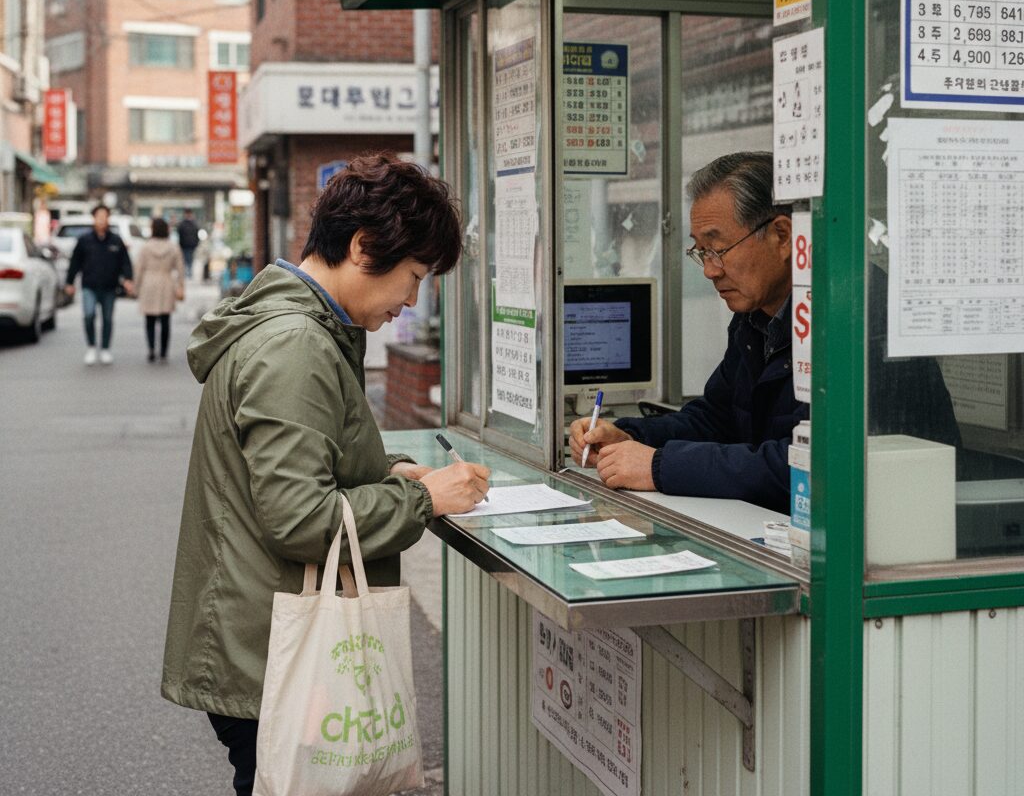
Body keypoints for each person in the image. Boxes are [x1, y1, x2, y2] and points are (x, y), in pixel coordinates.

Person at [161, 153, 490, 796]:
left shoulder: (307, 328)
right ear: (365, 247)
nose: (412, 300)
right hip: (276, 656)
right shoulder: (297, 344)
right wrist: (421, 497)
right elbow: (302, 519)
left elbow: (309, 464)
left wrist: (389, 468)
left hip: (263, 635)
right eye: (413, 276)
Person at [569, 151, 960, 514]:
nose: (709, 270)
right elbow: (716, 419)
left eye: (717, 248)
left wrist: (659, 466)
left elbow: (817, 464)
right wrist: (627, 435)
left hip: (884, 540)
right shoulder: (756, 314)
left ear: (782, 236)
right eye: (700, 252)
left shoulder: (856, 316)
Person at [64, 203, 134, 366]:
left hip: (109, 286)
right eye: (99, 216)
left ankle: (105, 348)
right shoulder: (84, 241)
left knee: (107, 318)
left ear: (108, 218)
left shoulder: (116, 241)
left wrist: (128, 279)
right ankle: (91, 346)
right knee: (88, 315)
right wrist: (69, 282)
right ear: (94, 218)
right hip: (89, 285)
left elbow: (125, 262)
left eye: (105, 216)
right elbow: (75, 262)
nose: (102, 220)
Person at [135, 217, 186, 362]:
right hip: (166, 282)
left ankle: (151, 348)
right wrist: (181, 286)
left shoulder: (146, 247)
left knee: (149, 319)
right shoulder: (173, 247)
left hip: (149, 282)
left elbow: (139, 268)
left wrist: (136, 286)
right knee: (165, 319)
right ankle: (163, 352)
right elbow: (180, 269)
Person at [176, 209, 200, 280]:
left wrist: (196, 243)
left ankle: (188, 272)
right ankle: (187, 272)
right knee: (186, 259)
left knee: (189, 259)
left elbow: (196, 234)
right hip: (185, 245)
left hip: (191, 245)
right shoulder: (183, 224)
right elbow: (179, 234)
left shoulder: (193, 224)